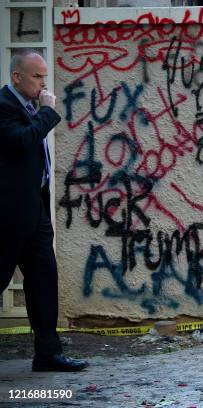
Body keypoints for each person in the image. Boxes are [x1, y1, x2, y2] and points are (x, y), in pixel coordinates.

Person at [0, 50, 89, 372]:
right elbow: (22, 141)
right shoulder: (5, 107)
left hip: (33, 211)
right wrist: (48, 113)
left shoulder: (28, 107)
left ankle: (47, 354)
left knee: (43, 281)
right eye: (36, 77)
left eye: (44, 77)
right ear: (16, 77)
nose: (42, 84)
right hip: (7, 215)